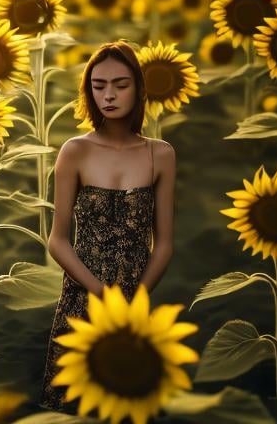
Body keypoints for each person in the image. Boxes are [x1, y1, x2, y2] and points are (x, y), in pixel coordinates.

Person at [38, 40, 176, 414]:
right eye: (98, 87)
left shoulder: (159, 154)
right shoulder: (75, 151)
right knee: (71, 408)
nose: (109, 95)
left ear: (140, 89)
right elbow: (58, 240)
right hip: (81, 298)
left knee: (129, 404)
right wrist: (99, 291)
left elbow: (163, 244)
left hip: (136, 298)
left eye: (120, 84)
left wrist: (135, 300)